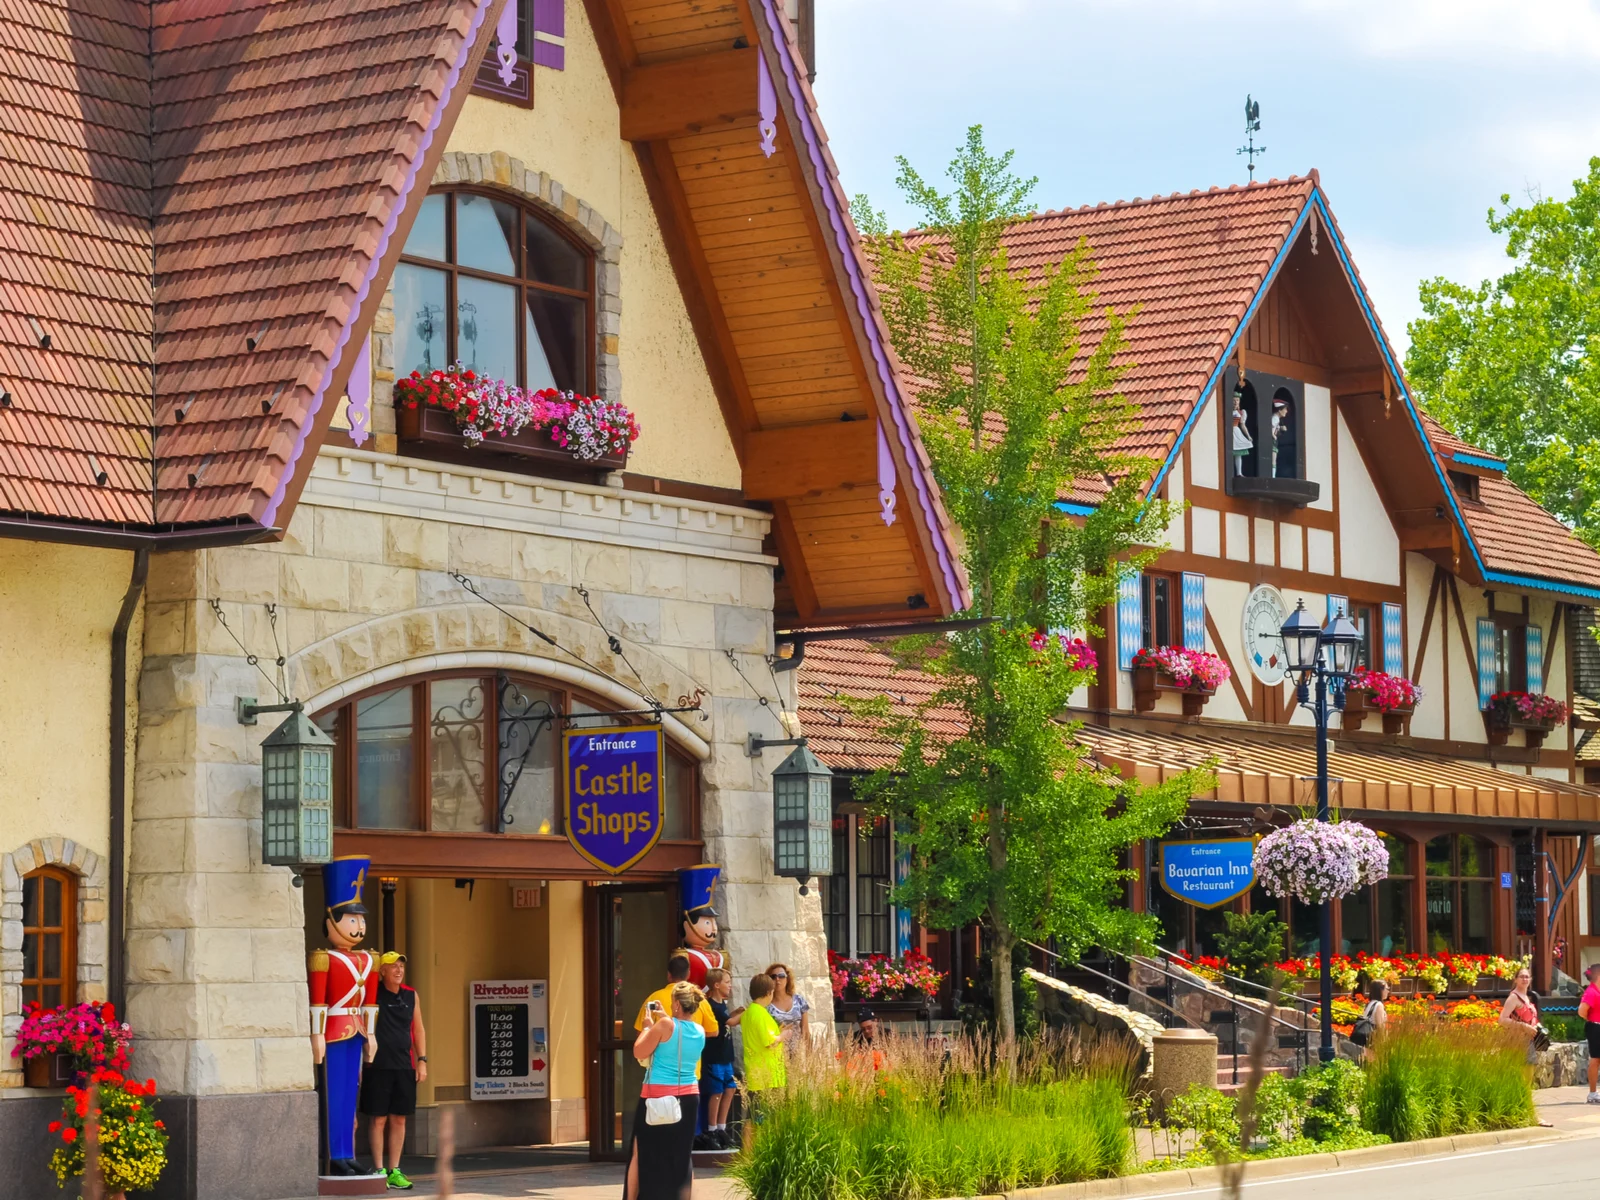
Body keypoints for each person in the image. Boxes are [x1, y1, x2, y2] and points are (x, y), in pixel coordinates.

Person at [307, 856, 379, 1178]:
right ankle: (335, 1154)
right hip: (334, 1031)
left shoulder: (370, 959)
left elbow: (371, 1003)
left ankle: (348, 1153)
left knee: (351, 1095)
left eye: (360, 920)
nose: (358, 927)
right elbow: (318, 1002)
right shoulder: (323, 958)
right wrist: (316, 1034)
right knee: (335, 1094)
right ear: (331, 921)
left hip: (358, 1031)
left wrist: (372, 1034)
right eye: (351, 919)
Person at [626, 981, 707, 1200]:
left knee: (640, 1152)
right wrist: (664, 1018)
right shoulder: (699, 1031)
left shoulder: (664, 1026)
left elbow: (638, 1050)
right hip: (689, 1097)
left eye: (672, 1003)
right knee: (681, 1155)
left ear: (678, 1005)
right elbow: (676, 1035)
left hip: (656, 1096)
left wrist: (645, 1027)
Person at [360, 952, 427, 1190]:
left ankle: (394, 1170)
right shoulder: (372, 993)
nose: (398, 970)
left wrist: (422, 1060)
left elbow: (418, 1029)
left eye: (401, 966)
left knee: (399, 1119)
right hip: (377, 1065)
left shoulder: (411, 995)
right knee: (378, 1119)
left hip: (404, 1065)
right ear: (382, 971)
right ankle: (378, 1169)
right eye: (392, 966)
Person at [697, 968, 742, 1150]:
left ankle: (722, 1127)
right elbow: (729, 1023)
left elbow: (725, 1019)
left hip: (726, 1057)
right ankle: (711, 1129)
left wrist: (734, 1012)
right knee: (716, 1092)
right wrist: (749, 1012)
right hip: (714, 1057)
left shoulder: (722, 1005)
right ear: (716, 985)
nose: (730, 985)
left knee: (730, 1089)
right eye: (727, 982)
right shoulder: (710, 1005)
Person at [740, 973, 786, 1126]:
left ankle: (748, 1150)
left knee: (753, 1118)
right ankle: (752, 1149)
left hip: (756, 1073)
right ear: (768, 993)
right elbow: (769, 1042)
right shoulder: (760, 1013)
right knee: (762, 1120)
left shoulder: (749, 1012)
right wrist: (784, 1035)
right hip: (766, 1075)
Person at [764, 962, 809, 1051]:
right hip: (778, 1053)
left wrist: (808, 1053)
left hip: (798, 1053)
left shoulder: (799, 1000)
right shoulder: (766, 1006)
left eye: (781, 976)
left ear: (787, 979)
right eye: (773, 977)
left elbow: (805, 1030)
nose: (777, 979)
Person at [1580, 963, 1600, 1103]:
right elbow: (1582, 1010)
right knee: (1596, 1059)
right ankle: (1592, 1094)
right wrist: (1590, 1019)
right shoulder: (1591, 992)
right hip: (1595, 1027)